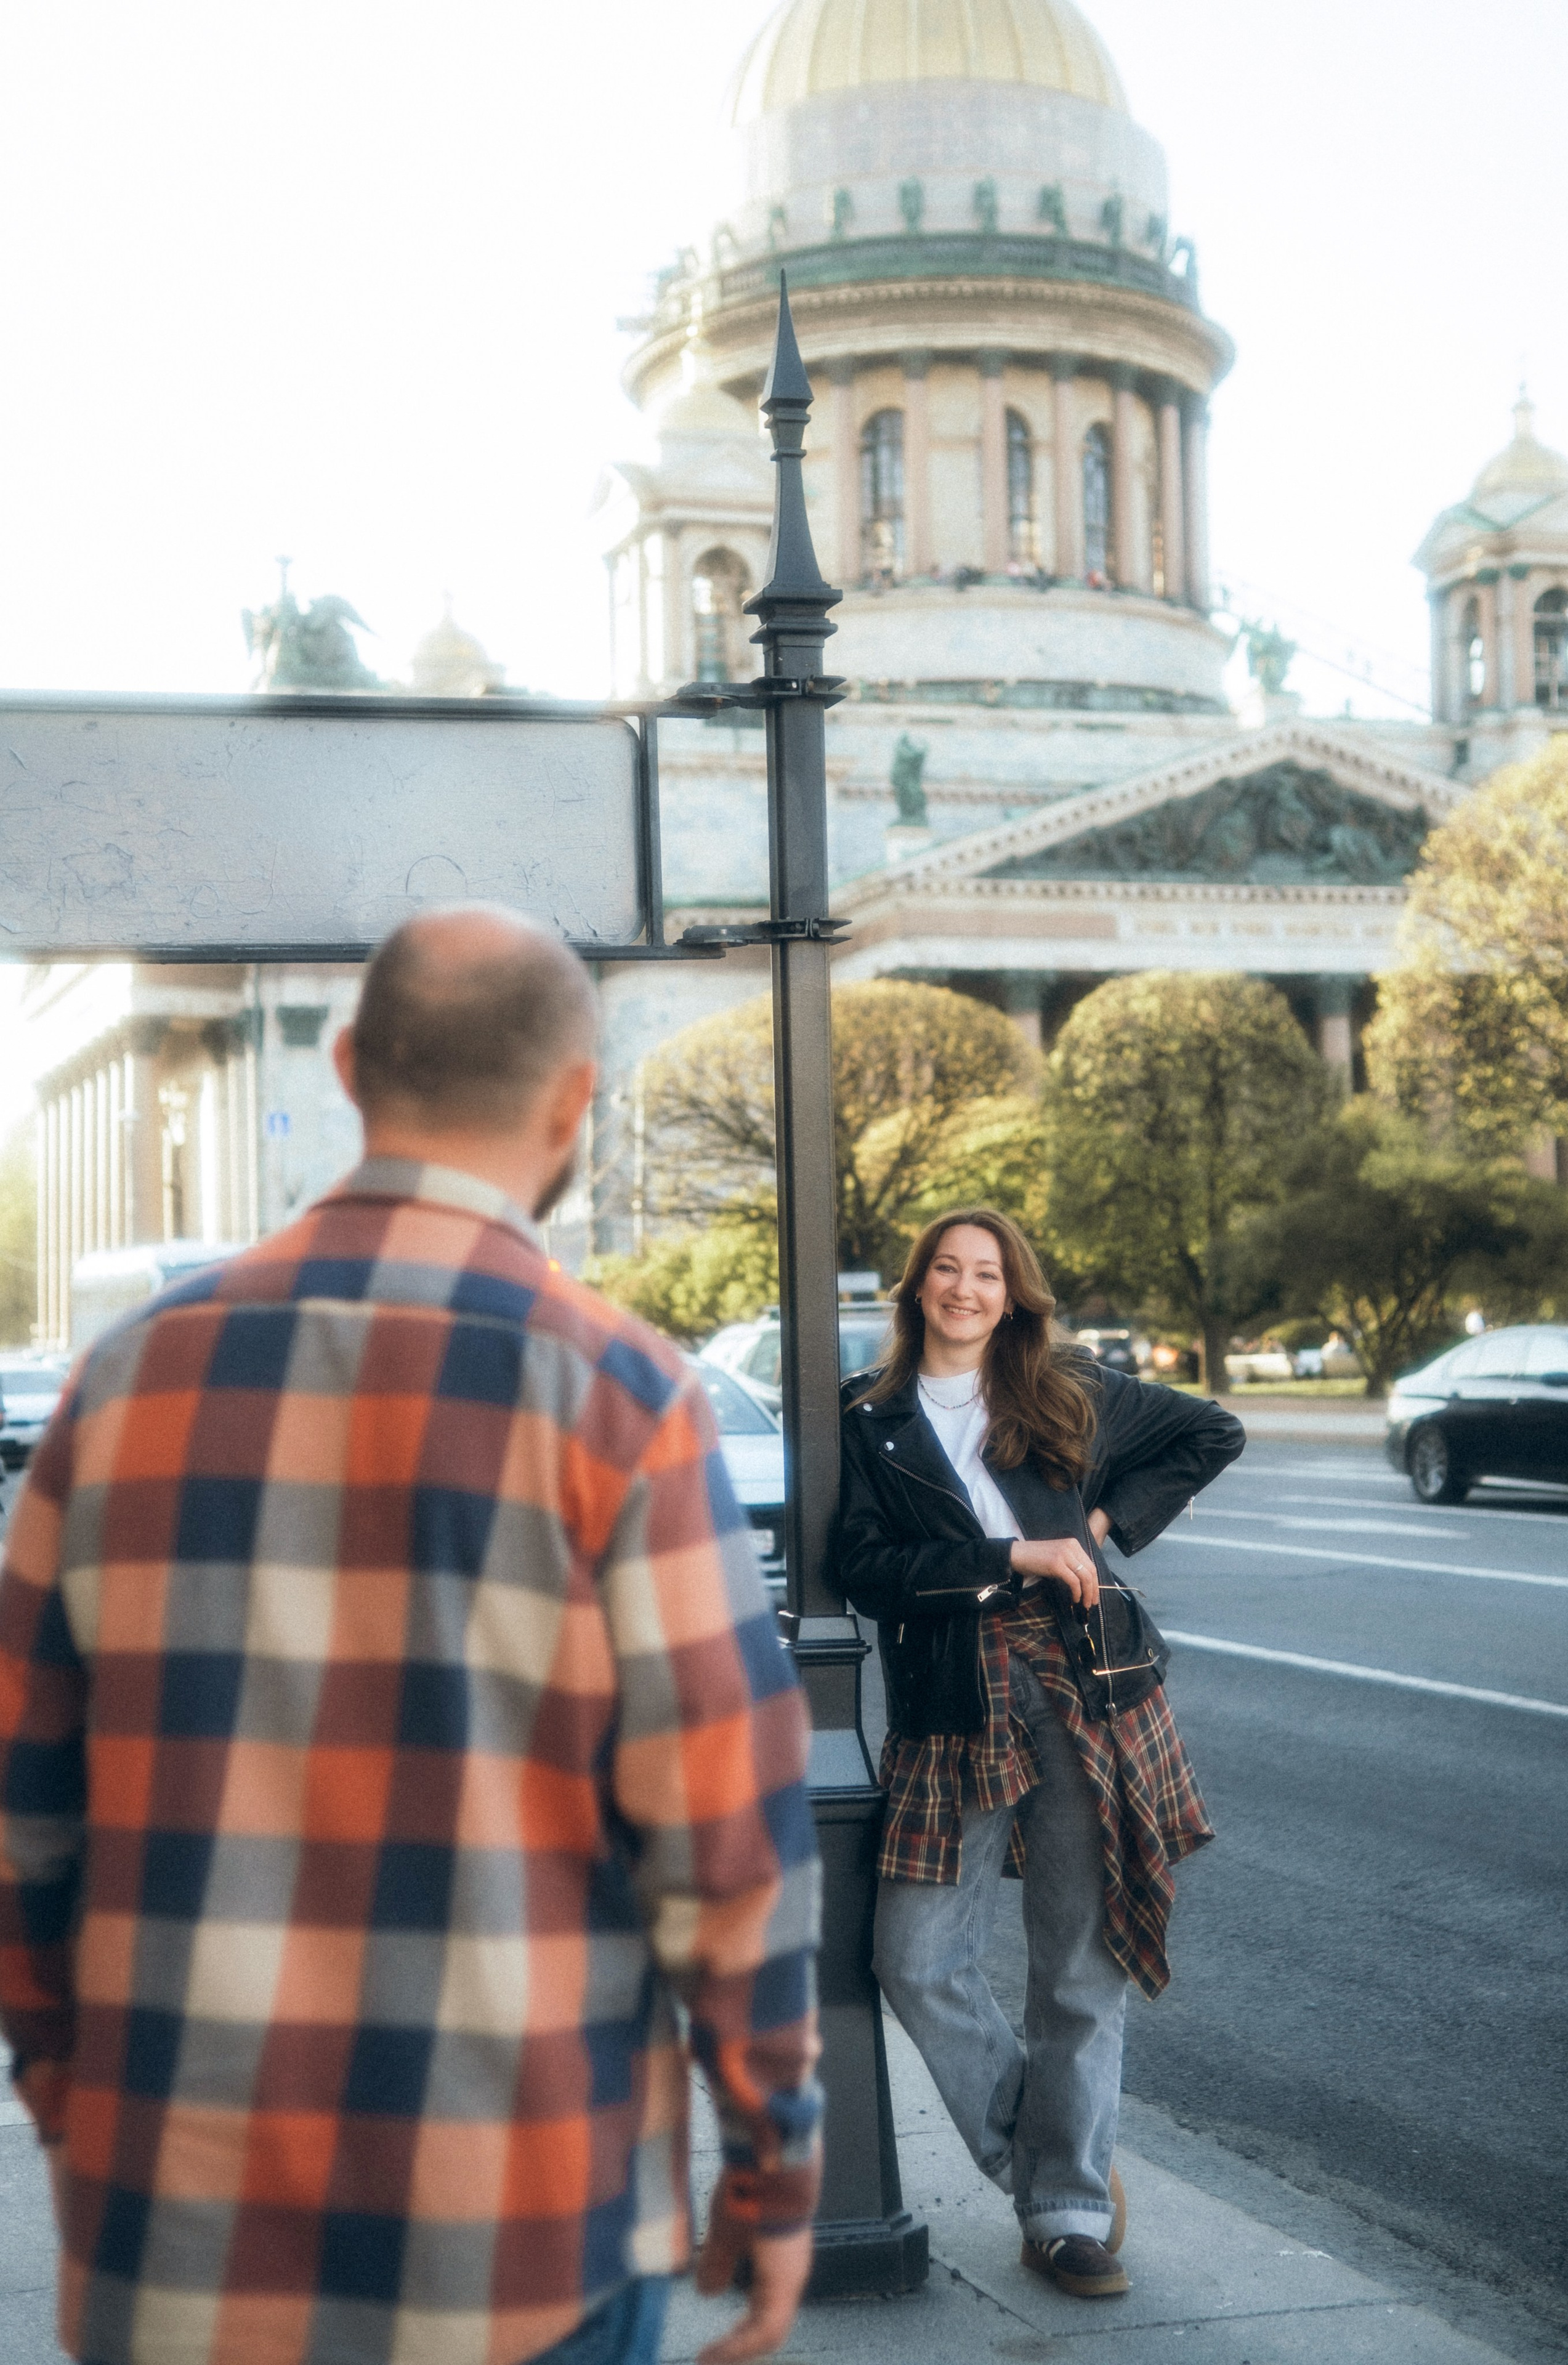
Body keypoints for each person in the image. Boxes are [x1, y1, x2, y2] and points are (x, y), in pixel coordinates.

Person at [0, 905, 822, 2365]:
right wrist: (771, 2164)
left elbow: (23, 1817)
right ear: (574, 1099)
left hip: (176, 2227)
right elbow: (728, 1844)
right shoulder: (622, 1398)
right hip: (519, 2233)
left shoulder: (119, 1387)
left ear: (345, 1066)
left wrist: (69, 2097)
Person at [838, 1208, 1242, 2301]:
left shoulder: (1065, 1387)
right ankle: (1048, 2164)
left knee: (1078, 1960)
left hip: (1082, 1682)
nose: (967, 1290)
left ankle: (1065, 2216)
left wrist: (1106, 1527)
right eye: (947, 1271)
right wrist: (1007, 1552)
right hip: (952, 1697)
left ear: (1012, 1294)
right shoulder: (863, 1418)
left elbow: (1212, 1430)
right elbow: (864, 1564)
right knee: (912, 1956)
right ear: (917, 1286)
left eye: (989, 1275)